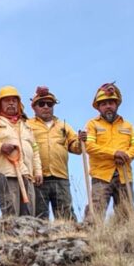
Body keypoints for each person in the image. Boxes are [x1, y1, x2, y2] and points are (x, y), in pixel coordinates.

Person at [78, 82, 134, 220]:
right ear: (98, 107)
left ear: (116, 104)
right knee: (94, 215)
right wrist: (114, 153)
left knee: (126, 216)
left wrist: (126, 155)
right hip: (101, 175)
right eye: (103, 104)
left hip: (124, 175)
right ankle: (91, 233)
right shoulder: (92, 124)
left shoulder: (127, 125)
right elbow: (90, 146)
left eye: (111, 103)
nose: (108, 106)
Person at [0, 86, 42, 217]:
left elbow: (35, 149)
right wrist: (0, 147)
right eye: (7, 100)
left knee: (29, 215)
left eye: (14, 100)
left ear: (19, 103)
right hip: (6, 175)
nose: (11, 103)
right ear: (0, 104)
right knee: (10, 215)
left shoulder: (26, 125)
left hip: (27, 174)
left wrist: (38, 171)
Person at [28, 86, 81, 220]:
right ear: (34, 107)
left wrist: (81, 141)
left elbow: (76, 148)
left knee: (66, 217)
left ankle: (70, 234)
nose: (46, 107)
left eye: (50, 104)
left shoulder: (63, 126)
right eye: (41, 104)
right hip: (38, 179)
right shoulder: (27, 125)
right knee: (39, 218)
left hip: (60, 177)